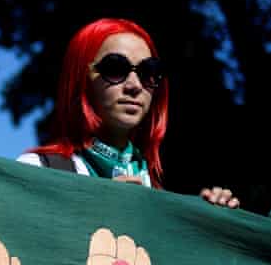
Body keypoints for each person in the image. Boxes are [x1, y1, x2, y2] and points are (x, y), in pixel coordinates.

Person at [17, 18, 239, 208]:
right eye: (115, 68)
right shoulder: (37, 171)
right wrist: (94, 211)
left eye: (148, 71)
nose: (134, 85)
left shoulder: (161, 194)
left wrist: (209, 222)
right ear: (81, 78)